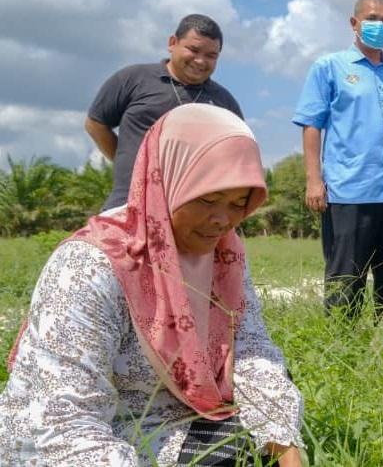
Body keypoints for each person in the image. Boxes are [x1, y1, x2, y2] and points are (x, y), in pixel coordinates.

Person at [0, 104, 304, 466]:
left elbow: (252, 350)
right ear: (166, 182)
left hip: (178, 412)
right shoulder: (93, 264)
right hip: (85, 432)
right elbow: (64, 418)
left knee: (248, 442)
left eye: (239, 203)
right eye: (207, 199)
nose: (222, 220)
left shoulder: (223, 254)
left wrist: (284, 447)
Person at [293, 0, 383, 324]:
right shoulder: (330, 68)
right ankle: (341, 345)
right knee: (346, 276)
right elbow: (312, 125)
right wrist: (314, 179)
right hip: (350, 189)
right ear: (354, 23)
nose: (379, 25)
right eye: (372, 18)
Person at [86, 14, 242, 212]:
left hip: (192, 216)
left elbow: (235, 157)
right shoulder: (132, 79)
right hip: (128, 204)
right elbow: (96, 124)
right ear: (172, 43)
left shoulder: (224, 102)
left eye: (211, 55)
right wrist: (131, 163)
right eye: (193, 50)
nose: (200, 61)